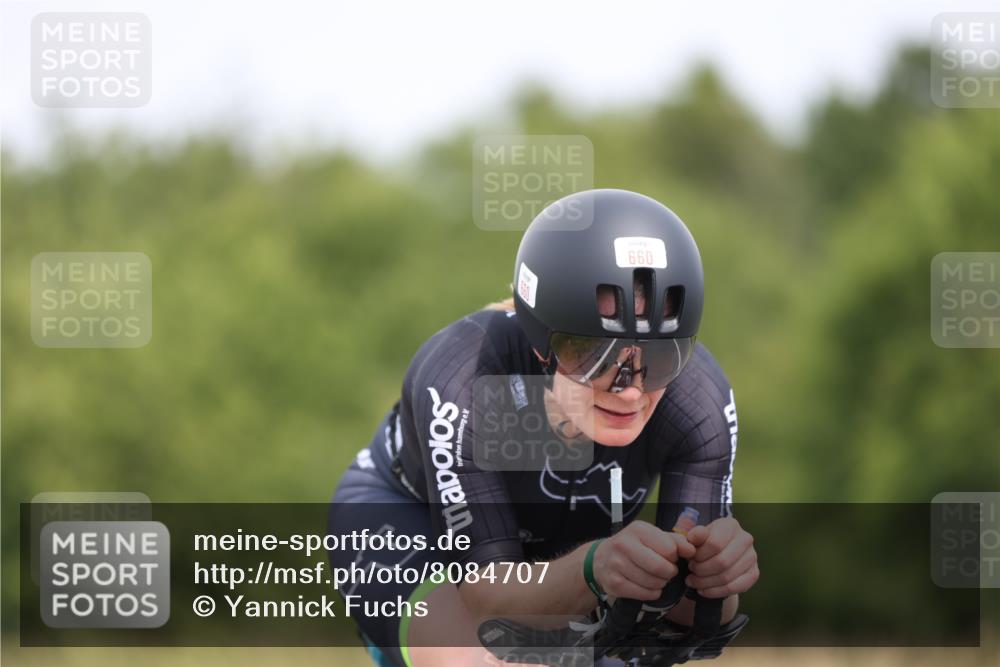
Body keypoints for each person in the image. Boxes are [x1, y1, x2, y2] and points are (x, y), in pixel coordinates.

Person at [328, 189, 759, 667]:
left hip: (563, 542)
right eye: (593, 354)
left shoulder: (698, 399)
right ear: (540, 343)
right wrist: (594, 567)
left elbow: (688, 621)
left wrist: (717, 578)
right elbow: (488, 599)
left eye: (660, 357)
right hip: (406, 520)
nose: (630, 390)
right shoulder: (469, 378)